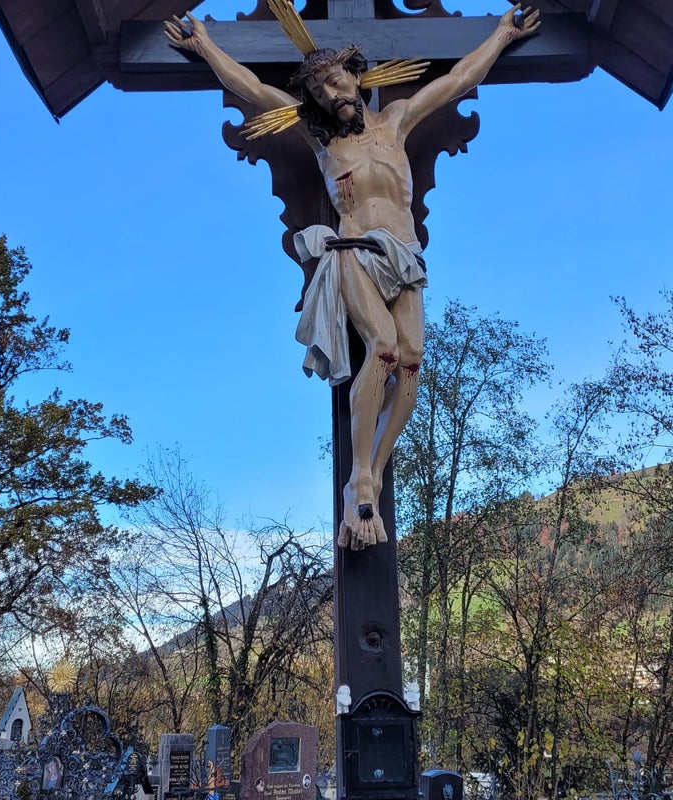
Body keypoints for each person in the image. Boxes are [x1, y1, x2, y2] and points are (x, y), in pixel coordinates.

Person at [164, 4, 540, 550]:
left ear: (355, 77)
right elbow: (252, 88)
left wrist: (502, 35)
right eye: (318, 92)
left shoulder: (397, 121)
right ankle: (358, 474)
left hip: (404, 255)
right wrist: (204, 47)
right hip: (355, 250)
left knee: (411, 364)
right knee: (383, 348)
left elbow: (459, 79)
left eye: (335, 81)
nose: (330, 94)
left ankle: (374, 470)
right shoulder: (326, 143)